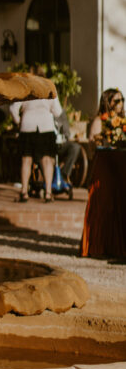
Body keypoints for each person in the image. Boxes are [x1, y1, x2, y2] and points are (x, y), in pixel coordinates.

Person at [81, 88, 126, 258]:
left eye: (122, 100)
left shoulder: (123, 121)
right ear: (108, 102)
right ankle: (98, 245)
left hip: (121, 164)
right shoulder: (100, 121)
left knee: (120, 203)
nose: (120, 104)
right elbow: (93, 143)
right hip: (105, 164)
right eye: (117, 101)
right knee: (103, 202)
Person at [9, 92, 62, 202]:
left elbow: (13, 108)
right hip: (46, 125)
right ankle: (48, 192)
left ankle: (24, 192)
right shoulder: (49, 89)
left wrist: (18, 121)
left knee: (26, 159)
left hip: (27, 125)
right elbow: (58, 111)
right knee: (47, 160)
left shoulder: (26, 88)